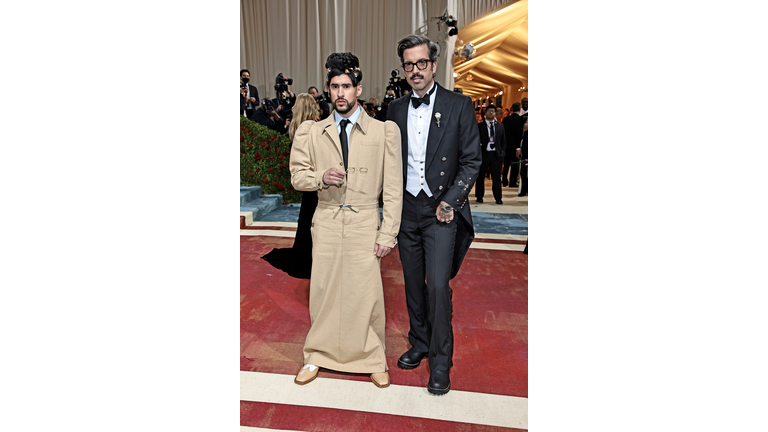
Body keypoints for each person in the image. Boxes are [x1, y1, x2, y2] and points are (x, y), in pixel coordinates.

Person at [290, 52, 403, 389]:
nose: (340, 93)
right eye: (334, 86)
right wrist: (321, 177)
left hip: (365, 221)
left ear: (358, 89)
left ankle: (372, 357)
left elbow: (394, 189)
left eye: (346, 86)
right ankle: (317, 354)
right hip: (325, 219)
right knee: (323, 291)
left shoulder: (384, 132)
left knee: (365, 294)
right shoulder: (311, 132)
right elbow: (298, 176)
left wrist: (388, 232)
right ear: (328, 89)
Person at [387, 34, 481, 395]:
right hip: (407, 210)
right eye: (408, 64)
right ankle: (421, 342)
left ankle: (441, 362)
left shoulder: (459, 104)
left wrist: (450, 201)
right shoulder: (395, 110)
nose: (415, 70)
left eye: (421, 63)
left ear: (434, 65)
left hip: (441, 211)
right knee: (412, 285)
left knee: (438, 288)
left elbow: (472, 161)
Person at [261, 94, 320, 279]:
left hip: (305, 180)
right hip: (316, 179)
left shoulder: (295, 128)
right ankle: (313, 255)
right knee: (313, 220)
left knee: (306, 219)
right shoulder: (316, 128)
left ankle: (305, 251)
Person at [475, 105, 506, 204]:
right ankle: (479, 196)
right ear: (485, 113)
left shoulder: (500, 126)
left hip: (496, 155)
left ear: (496, 113)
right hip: (484, 154)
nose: (491, 112)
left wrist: (502, 152)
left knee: (496, 178)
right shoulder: (480, 126)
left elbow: (503, 141)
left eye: (493, 111)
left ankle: (498, 198)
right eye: (488, 111)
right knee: (480, 177)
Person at [501, 102, 525, 188]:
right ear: (519, 109)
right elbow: (520, 133)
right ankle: (512, 182)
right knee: (514, 164)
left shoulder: (506, 119)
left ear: (511, 109)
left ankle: (504, 181)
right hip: (516, 145)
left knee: (506, 164)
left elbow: (502, 132)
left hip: (507, 144)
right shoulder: (520, 119)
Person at [517, 118, 528, 197]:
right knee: (524, 173)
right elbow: (524, 144)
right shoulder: (526, 133)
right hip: (526, 156)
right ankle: (524, 190)